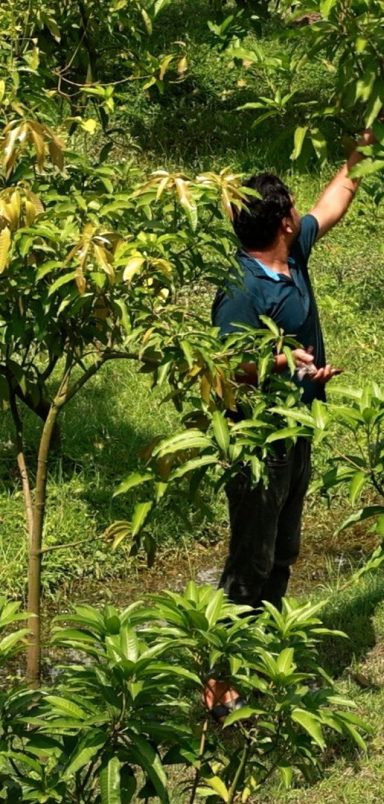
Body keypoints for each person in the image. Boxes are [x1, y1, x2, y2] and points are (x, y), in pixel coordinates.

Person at [204, 129, 375, 718]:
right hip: (256, 441)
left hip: (296, 430)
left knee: (282, 552)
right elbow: (223, 373)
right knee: (249, 559)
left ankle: (264, 665)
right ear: (281, 221)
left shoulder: (291, 255)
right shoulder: (241, 290)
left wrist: (360, 151)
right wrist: (282, 362)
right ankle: (219, 681)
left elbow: (337, 197)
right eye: (294, 210)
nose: (303, 214)